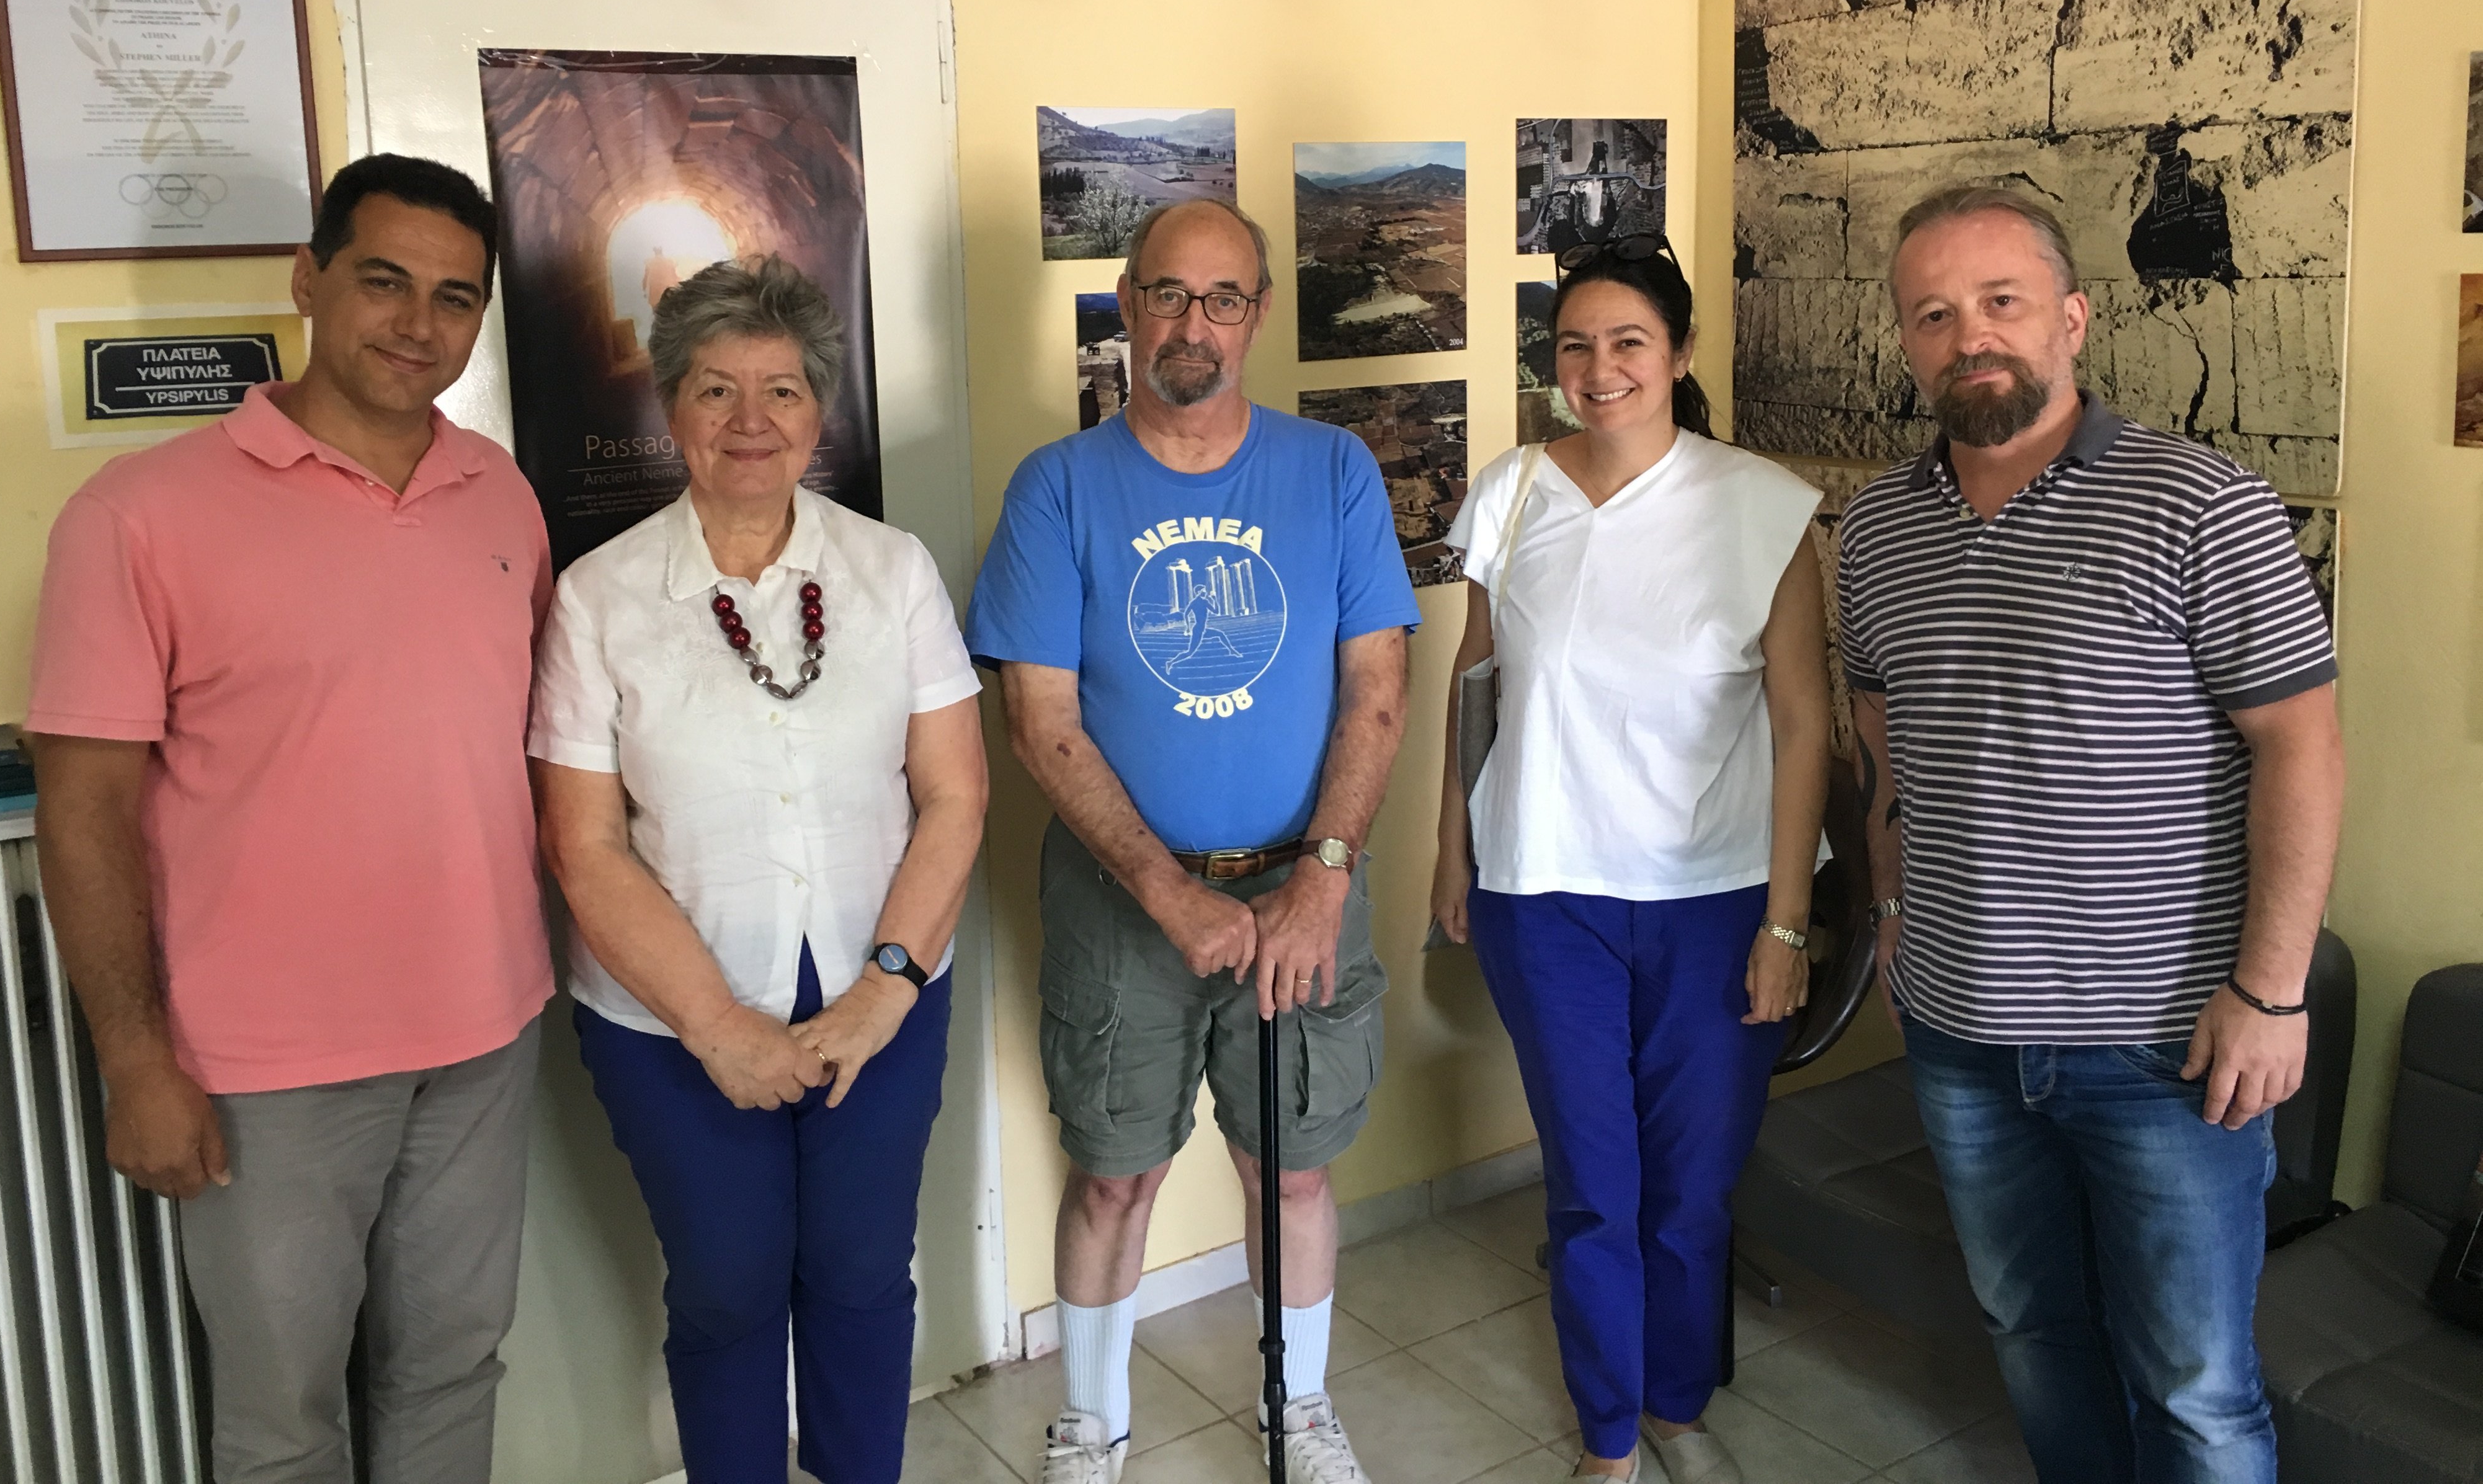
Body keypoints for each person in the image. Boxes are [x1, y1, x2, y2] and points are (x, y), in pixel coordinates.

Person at [27, 154, 553, 1484]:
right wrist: (134, 1063)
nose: (417, 324)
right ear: (309, 280)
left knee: (453, 1366)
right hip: (265, 1068)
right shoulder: (137, 516)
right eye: (384, 282)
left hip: (485, 1031)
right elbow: (82, 812)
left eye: (454, 297)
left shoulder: (501, 494)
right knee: (282, 1420)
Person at [1837, 187, 2345, 1484]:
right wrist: (1891, 910)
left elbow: (2301, 747)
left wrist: (2271, 993)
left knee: (2196, 1389)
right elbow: (1886, 738)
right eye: (1934, 314)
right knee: (2032, 1334)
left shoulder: (2202, 505)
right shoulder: (1878, 531)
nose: (1970, 335)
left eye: (2001, 301)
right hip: (1961, 1034)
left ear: (2071, 318)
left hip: (2165, 1043)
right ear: (1908, 343)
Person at [967, 200, 1420, 1484]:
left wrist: (1322, 881)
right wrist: (1168, 895)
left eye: (1224, 299)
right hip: (1124, 901)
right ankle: (1090, 1423)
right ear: (1127, 303)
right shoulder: (1058, 488)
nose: (1194, 324)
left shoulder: (1332, 471)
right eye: (1168, 293)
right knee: (1115, 1173)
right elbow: (1039, 721)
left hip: (1303, 881)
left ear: (1258, 314)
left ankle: (1301, 1410)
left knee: (1292, 1172)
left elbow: (1376, 692)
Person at [531, 255, 987, 1484]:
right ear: (670, 407)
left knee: (859, 1275)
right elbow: (583, 844)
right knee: (727, 1287)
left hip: (879, 992)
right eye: (716, 389)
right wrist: (719, 1027)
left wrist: (886, 989)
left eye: (781, 391)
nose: (751, 421)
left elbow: (955, 796)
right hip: (667, 1021)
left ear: (818, 413)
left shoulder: (892, 572)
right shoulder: (597, 600)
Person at [1431, 244, 1832, 1484]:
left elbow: (1806, 723)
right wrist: (1451, 850)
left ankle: (1677, 1403)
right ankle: (1608, 1437)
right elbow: (1477, 685)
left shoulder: (1765, 507)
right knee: (1594, 1186)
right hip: (1544, 892)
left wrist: (1787, 925)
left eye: (1628, 343)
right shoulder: (1512, 494)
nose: (1599, 370)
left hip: (1717, 903)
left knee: (1692, 1189)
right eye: (1575, 346)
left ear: (1680, 353)